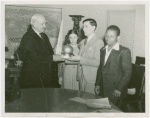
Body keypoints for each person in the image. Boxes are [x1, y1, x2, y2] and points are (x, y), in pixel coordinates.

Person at [17, 14, 63, 88]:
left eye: (45, 23)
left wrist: (57, 54)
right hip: (34, 78)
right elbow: (31, 56)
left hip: (45, 77)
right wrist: (52, 58)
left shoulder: (44, 36)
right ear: (34, 23)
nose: (44, 26)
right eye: (42, 24)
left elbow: (49, 52)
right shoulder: (28, 37)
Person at [95, 25, 132, 106]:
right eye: (106, 36)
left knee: (113, 111)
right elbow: (100, 68)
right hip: (103, 87)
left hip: (115, 90)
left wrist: (119, 89)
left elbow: (127, 73)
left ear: (118, 38)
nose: (108, 38)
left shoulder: (124, 51)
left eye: (111, 36)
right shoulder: (102, 50)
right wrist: (97, 83)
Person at [68, 18, 104, 94]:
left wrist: (80, 58)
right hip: (81, 76)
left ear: (93, 27)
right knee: (82, 100)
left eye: (86, 26)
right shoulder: (83, 42)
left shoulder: (99, 42)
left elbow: (97, 62)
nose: (83, 29)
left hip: (91, 78)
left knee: (89, 100)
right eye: (83, 27)